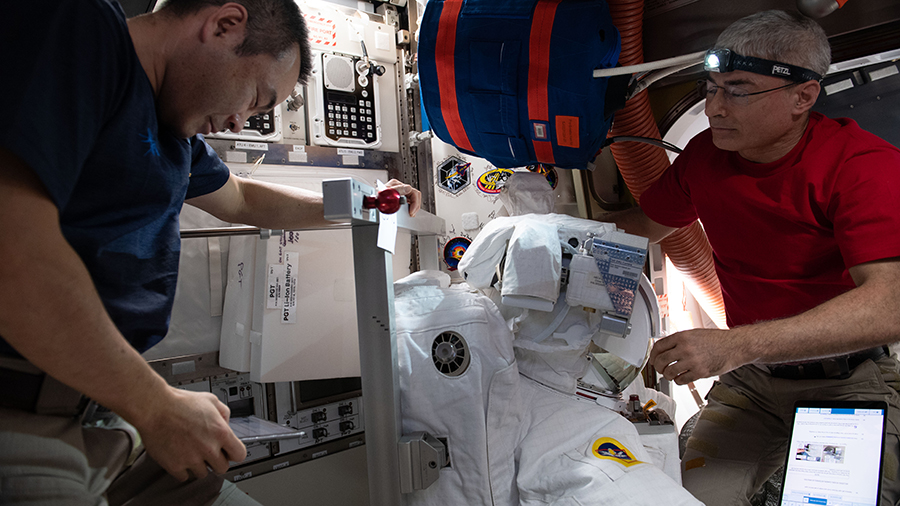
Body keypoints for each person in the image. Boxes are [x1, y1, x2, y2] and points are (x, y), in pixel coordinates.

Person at [0, 0, 420, 504]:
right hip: (23, 407)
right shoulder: (80, 30)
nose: (239, 121)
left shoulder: (172, 135)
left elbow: (243, 198)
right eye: (256, 97)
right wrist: (156, 405)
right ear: (225, 24)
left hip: (100, 410)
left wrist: (364, 204)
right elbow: (14, 252)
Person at [608, 10, 900, 506]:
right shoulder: (704, 157)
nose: (716, 107)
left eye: (738, 89)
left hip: (848, 386)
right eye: (711, 87)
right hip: (752, 385)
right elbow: (645, 227)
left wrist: (733, 347)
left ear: (802, 96)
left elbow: (890, 306)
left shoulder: (862, 168)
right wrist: (547, 237)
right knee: (690, 499)